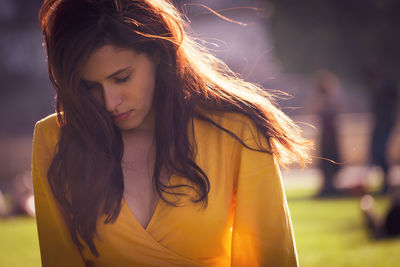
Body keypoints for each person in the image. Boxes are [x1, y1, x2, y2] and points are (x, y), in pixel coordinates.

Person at [33, 0, 312, 266]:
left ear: (158, 54)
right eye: (90, 86)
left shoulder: (237, 132)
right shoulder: (54, 139)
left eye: (122, 78)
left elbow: (271, 257)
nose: (109, 102)